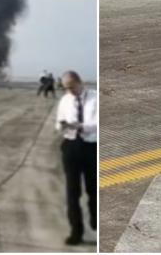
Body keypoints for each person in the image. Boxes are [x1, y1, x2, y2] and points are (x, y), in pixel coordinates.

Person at [55, 70, 97, 246]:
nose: (69, 91)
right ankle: (76, 231)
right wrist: (65, 126)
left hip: (90, 147)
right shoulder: (65, 100)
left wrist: (81, 126)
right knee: (72, 193)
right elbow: (58, 123)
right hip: (71, 146)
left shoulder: (95, 98)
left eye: (71, 87)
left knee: (93, 189)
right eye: (66, 88)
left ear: (79, 82)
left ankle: (96, 220)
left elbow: (97, 124)